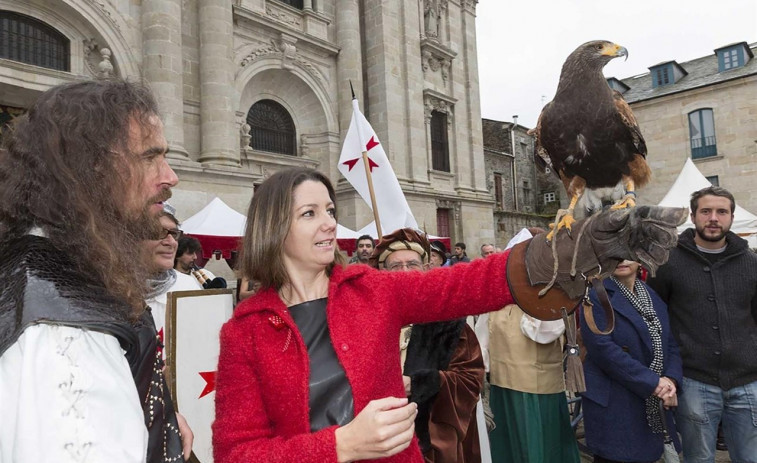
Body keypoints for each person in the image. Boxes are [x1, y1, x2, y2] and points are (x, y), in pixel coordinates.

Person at [211, 166, 686, 463]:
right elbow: (236, 454)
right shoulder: (244, 333)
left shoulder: (371, 291)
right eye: (309, 213)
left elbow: (470, 283)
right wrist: (340, 446)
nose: (331, 222)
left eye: (330, 209)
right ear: (275, 227)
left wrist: (572, 248)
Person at [0, 80, 178, 461]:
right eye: (150, 157)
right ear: (89, 169)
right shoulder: (64, 336)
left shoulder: (67, 272)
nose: (170, 176)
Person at [648, 186, 757, 463]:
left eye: (722, 212)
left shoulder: (751, 263)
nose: (713, 218)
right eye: (706, 211)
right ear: (693, 216)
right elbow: (656, 321)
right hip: (694, 382)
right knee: (698, 459)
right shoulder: (668, 262)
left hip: (748, 383)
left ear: (731, 217)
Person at [371, 228, 485, 463]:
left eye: (411, 264)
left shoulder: (449, 321)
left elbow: (470, 380)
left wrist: (420, 383)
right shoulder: (368, 319)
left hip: (433, 442)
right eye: (395, 266)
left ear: (424, 268)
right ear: (382, 272)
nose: (405, 272)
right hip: (379, 439)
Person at [486, 229, 580, 463]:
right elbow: (483, 337)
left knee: (538, 448)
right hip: (502, 385)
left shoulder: (551, 295)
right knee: (509, 447)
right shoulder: (498, 298)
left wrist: (529, 298)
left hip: (536, 390)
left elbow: (544, 333)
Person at [582, 259, 682, 463]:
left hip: (652, 395)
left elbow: (670, 342)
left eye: (628, 254)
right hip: (616, 399)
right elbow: (603, 349)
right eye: (615, 255)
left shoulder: (651, 295)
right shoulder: (594, 294)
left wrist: (671, 379)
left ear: (640, 259)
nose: (622, 261)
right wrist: (653, 382)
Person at [140, 210, 197, 461]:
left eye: (174, 234)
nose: (170, 241)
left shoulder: (189, 288)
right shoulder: (112, 291)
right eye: (157, 233)